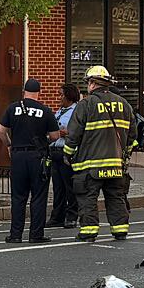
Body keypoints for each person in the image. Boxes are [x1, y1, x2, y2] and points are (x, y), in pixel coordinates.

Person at [63, 64, 140, 242]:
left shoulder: (86, 104)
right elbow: (132, 136)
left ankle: (89, 232)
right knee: (116, 197)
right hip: (115, 166)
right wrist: (124, 156)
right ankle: (120, 230)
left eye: (88, 83)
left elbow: (73, 134)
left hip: (90, 166)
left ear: (92, 83)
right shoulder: (124, 104)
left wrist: (67, 155)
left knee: (87, 198)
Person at [0, 77, 57, 243]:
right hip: (37, 157)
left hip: (18, 156)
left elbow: (0, 131)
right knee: (38, 196)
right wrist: (44, 141)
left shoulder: (13, 108)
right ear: (39, 92)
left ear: (24, 92)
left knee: (18, 196)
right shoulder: (45, 110)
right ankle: (36, 234)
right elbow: (54, 136)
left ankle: (15, 235)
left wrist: (9, 146)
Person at [47, 83, 81, 229]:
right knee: (58, 187)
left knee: (69, 187)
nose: (59, 97)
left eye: (61, 94)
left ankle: (71, 216)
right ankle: (57, 216)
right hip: (54, 152)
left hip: (67, 152)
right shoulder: (60, 111)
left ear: (69, 96)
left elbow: (79, 131)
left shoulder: (77, 111)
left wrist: (64, 133)